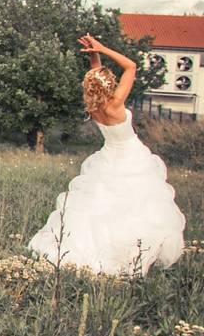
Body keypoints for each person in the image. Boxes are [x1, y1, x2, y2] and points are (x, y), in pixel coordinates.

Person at [28, 35, 186, 275]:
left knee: (101, 207)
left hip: (108, 157)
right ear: (109, 85)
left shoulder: (95, 108)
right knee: (136, 207)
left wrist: (94, 55)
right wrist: (103, 48)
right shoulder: (115, 104)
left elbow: (96, 72)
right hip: (131, 156)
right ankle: (132, 255)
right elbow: (131, 66)